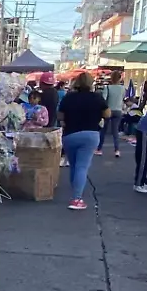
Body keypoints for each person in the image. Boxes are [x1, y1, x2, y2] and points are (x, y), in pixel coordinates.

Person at [57, 73, 108, 210]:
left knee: (74, 166)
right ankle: (76, 198)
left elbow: (60, 115)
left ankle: (76, 192)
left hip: (70, 135)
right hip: (90, 134)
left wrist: (65, 121)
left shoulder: (69, 97)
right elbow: (107, 113)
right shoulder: (97, 97)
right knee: (82, 166)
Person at [99, 76, 128, 158]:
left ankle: (99, 149)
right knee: (115, 131)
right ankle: (117, 150)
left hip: (108, 110)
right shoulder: (123, 88)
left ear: (112, 79)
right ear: (120, 79)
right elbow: (122, 98)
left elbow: (103, 99)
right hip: (118, 111)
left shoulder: (107, 87)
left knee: (103, 130)